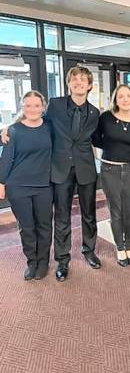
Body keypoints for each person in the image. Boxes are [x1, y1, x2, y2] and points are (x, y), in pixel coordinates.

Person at [47, 66, 101, 281]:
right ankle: (62, 259)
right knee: (62, 215)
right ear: (68, 83)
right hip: (60, 168)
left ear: (89, 86)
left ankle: (89, 250)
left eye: (83, 80)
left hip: (86, 167)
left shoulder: (95, 112)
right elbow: (36, 121)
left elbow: (98, 138)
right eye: (74, 80)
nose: (79, 83)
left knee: (89, 213)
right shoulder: (56, 105)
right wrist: (9, 129)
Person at [0, 91, 53, 280]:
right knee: (27, 227)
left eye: (36, 105)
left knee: (44, 226)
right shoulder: (13, 130)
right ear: (22, 108)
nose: (32, 109)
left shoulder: (50, 127)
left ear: (43, 107)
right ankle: (32, 261)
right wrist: (1, 182)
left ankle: (43, 261)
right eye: (28, 105)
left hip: (44, 186)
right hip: (18, 186)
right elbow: (6, 159)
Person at [92, 85, 130, 267]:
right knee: (116, 212)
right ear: (115, 99)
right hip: (109, 170)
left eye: (128, 96)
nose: (125, 99)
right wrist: (109, 146)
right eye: (120, 96)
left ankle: (129, 246)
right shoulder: (105, 117)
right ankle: (120, 248)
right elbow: (95, 137)